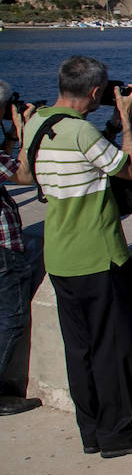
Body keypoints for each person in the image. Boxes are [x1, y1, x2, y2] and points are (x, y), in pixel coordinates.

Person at [21, 56, 132, 457]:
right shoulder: (81, 132)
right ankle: (117, 432)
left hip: (60, 256)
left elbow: (25, 173)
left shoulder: (36, 123)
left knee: (80, 349)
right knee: (113, 346)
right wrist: (125, 119)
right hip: (99, 256)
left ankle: (90, 429)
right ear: (94, 92)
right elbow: (128, 168)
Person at [0, 82, 40, 415]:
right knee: (12, 319)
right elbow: (24, 176)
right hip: (2, 245)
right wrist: (24, 132)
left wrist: (10, 137)